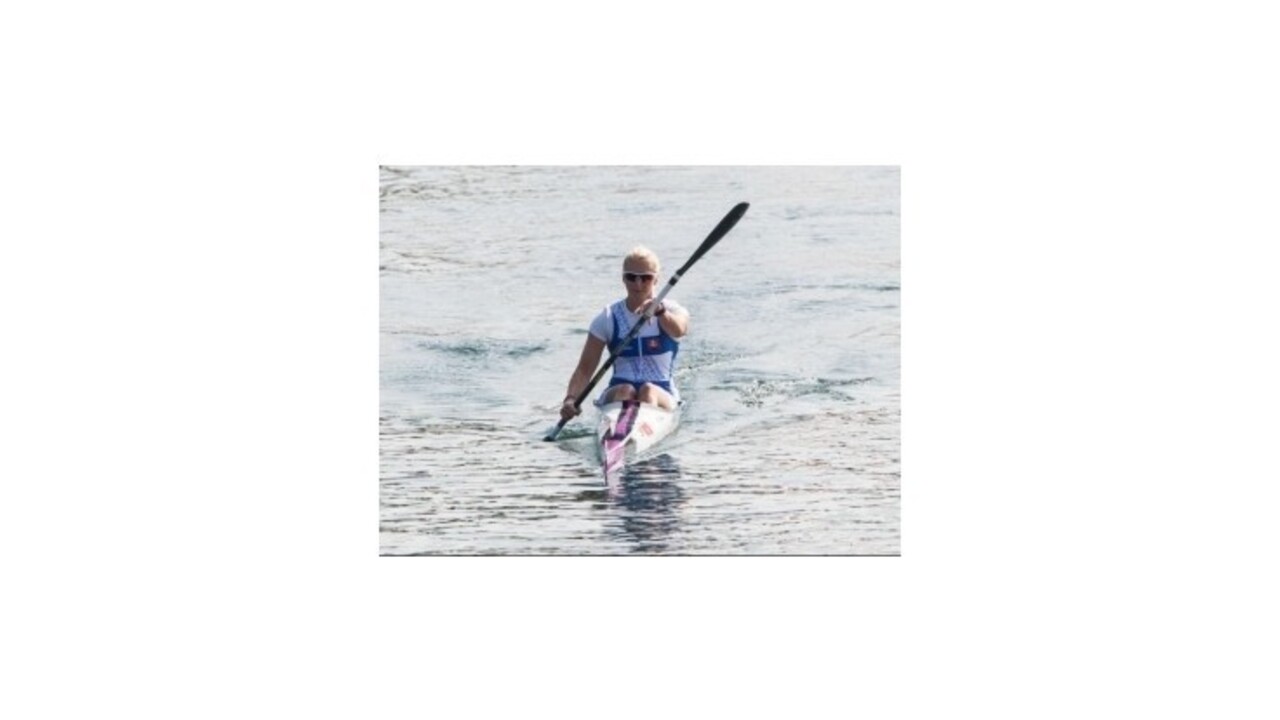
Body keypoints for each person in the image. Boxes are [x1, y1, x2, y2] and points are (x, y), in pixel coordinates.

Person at [560, 246, 690, 422]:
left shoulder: (672, 310)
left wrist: (660, 313)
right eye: (631, 277)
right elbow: (584, 370)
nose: (638, 284)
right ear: (623, 279)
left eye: (645, 278)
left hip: (662, 392)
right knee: (626, 390)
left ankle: (636, 428)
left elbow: (680, 329)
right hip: (618, 393)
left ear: (656, 279)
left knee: (648, 390)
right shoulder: (608, 318)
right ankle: (621, 432)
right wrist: (570, 399)